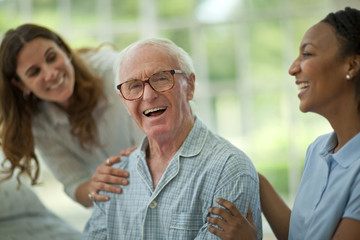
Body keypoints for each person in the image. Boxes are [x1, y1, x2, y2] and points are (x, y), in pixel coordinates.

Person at [82, 37, 263, 239]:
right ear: (123, 101)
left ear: (190, 86)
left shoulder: (229, 169)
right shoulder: (115, 177)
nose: (148, 96)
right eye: (133, 86)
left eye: (161, 78)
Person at [206, 7, 360, 240]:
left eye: (307, 54)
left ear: (351, 66)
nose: (292, 68)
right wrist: (244, 173)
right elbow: (300, 236)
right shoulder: (317, 150)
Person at [0, 24, 142, 207]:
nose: (50, 74)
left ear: (63, 49)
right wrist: (95, 186)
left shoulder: (115, 72)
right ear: (21, 85)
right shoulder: (39, 124)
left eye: (52, 57)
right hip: (122, 200)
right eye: (34, 72)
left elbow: (162, 146)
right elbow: (75, 184)